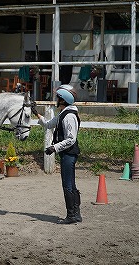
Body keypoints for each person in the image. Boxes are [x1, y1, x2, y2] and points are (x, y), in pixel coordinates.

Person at [33, 84, 82, 224]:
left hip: (69, 154)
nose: (56, 99)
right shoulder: (63, 113)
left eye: (58, 97)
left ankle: (72, 215)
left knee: (68, 184)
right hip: (67, 153)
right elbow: (48, 124)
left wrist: (54, 147)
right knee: (70, 184)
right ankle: (75, 214)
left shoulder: (69, 116)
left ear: (63, 99)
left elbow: (71, 139)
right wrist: (36, 113)